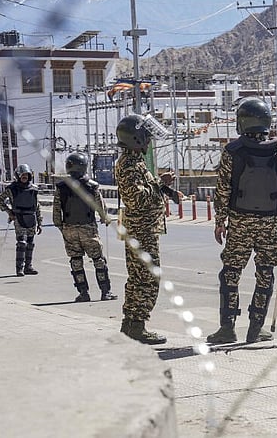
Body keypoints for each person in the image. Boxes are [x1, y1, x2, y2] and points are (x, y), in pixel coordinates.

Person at [207, 98, 277, 344]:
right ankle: (256, 328)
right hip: (269, 223)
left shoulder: (233, 152)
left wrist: (220, 221)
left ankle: (227, 327)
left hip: (240, 222)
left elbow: (222, 189)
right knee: (265, 273)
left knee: (231, 274)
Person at [115, 113, 182, 345]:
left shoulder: (136, 162)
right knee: (146, 279)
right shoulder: (128, 166)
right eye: (146, 137)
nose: (149, 141)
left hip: (144, 230)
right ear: (136, 139)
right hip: (141, 231)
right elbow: (137, 199)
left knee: (139, 278)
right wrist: (160, 184)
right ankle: (137, 326)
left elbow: (147, 190)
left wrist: (166, 190)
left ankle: (131, 325)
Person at [53, 152, 118, 302]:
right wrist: (104, 218)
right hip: (88, 228)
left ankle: (83, 293)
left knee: (76, 260)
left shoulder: (61, 187)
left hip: (69, 228)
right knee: (98, 260)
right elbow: (100, 207)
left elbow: (57, 210)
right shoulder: (92, 186)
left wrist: (61, 226)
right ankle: (105, 292)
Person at [0, 164, 42, 277]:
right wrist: (9, 212)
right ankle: (19, 268)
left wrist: (40, 222)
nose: (24, 177)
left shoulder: (34, 189)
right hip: (19, 217)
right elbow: (0, 200)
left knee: (30, 243)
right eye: (22, 175)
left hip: (31, 218)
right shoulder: (12, 189)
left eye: (26, 175)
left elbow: (37, 206)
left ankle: (28, 267)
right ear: (18, 176)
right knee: (22, 243)